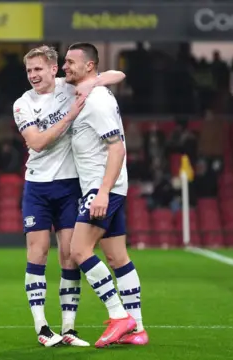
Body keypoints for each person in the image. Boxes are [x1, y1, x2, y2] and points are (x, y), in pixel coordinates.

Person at [14, 45, 126, 347]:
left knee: (69, 256)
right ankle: (42, 327)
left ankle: (69, 329)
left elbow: (118, 74)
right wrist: (70, 116)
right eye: (29, 71)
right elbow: (37, 143)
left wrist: (94, 81)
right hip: (37, 186)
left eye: (39, 69)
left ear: (54, 69)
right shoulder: (22, 103)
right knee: (36, 255)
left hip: (69, 186)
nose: (33, 75)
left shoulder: (70, 86)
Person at [63, 42, 147, 348]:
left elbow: (117, 148)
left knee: (78, 250)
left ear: (88, 66)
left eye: (71, 62)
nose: (64, 66)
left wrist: (102, 192)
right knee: (116, 256)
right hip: (109, 187)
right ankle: (137, 327)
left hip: (102, 187)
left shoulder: (95, 101)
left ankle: (118, 316)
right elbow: (116, 74)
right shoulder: (91, 93)